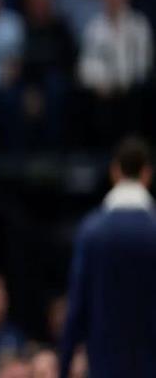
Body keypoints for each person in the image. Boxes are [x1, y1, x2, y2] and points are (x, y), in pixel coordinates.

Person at [60, 136, 156, 377]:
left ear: (115, 171)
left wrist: (64, 364)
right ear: (147, 173)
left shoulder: (92, 231)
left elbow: (77, 306)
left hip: (105, 366)